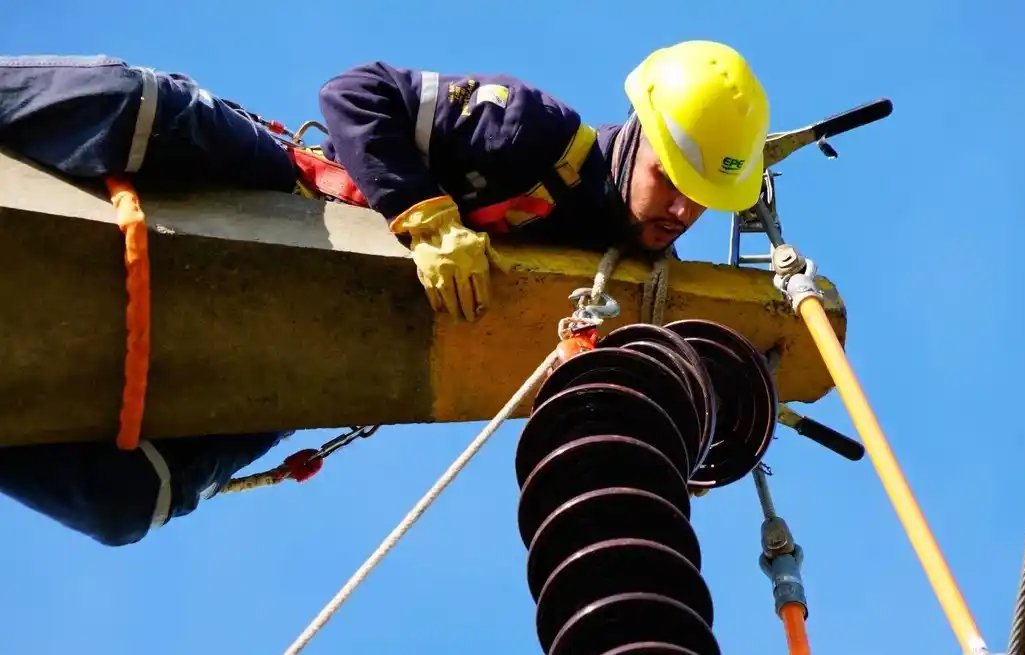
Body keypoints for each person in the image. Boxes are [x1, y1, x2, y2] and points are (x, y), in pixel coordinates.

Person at [0, 41, 771, 546]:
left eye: (702, 199)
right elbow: (356, 92)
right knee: (131, 108)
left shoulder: (613, 280)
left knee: (131, 498)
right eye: (672, 179)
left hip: (324, 358)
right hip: (294, 201)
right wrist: (425, 216)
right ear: (638, 133)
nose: (681, 211)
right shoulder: (533, 135)